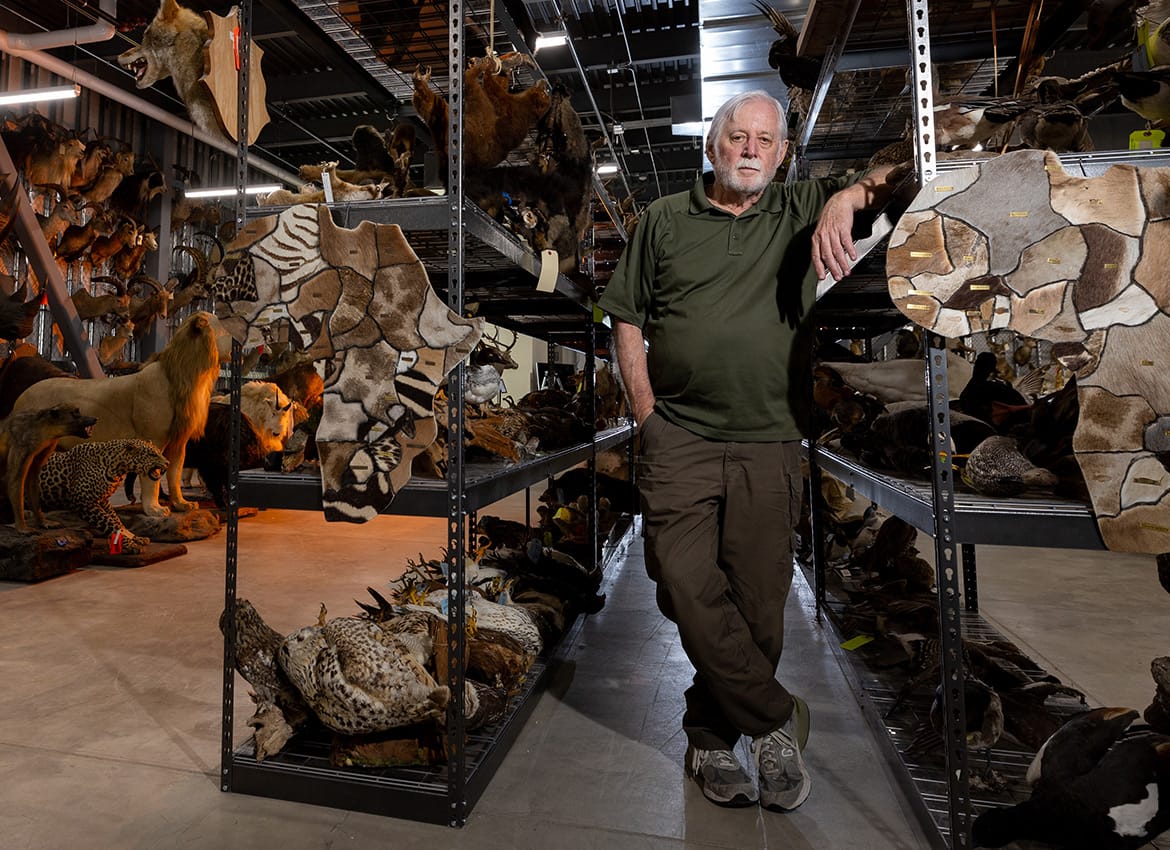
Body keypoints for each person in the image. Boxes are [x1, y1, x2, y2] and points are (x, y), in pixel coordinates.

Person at [596, 89, 896, 812]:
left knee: (759, 602)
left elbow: (903, 173)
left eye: (765, 139)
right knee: (681, 577)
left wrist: (845, 196)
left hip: (768, 439)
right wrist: (645, 415)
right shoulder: (664, 220)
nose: (750, 149)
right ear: (713, 145)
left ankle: (707, 735)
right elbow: (626, 318)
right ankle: (772, 717)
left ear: (783, 153)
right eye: (737, 136)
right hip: (681, 439)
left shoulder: (800, 208)